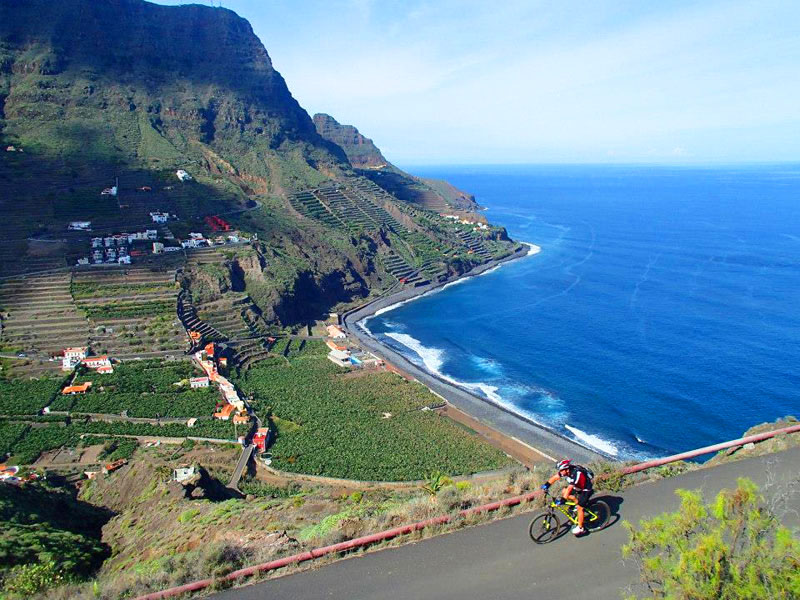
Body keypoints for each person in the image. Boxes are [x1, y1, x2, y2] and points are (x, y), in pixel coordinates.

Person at [541, 459, 593, 535]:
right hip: (577, 487)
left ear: (567, 469)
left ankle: (581, 528)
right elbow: (555, 477)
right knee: (564, 491)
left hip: (585, 489)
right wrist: (546, 485)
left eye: (561, 470)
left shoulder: (576, 474)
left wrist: (562, 500)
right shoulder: (565, 471)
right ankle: (576, 502)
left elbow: (570, 488)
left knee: (580, 508)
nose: (560, 472)